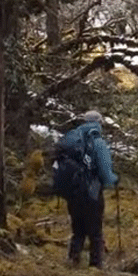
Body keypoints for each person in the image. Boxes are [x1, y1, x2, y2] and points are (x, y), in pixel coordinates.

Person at [55, 110, 118, 268]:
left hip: (72, 191)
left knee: (78, 229)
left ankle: (73, 259)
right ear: (98, 122)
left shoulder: (71, 139)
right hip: (92, 192)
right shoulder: (98, 142)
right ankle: (95, 266)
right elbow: (106, 172)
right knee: (95, 231)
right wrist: (114, 180)